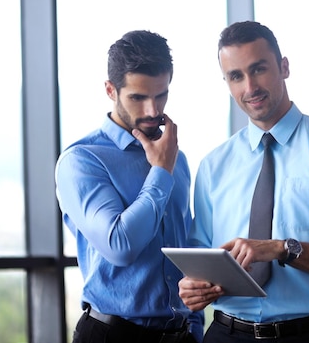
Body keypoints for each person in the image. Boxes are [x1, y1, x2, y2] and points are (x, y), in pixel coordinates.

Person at [178, 20, 309, 342]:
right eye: (236, 76)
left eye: (259, 69)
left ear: (284, 67)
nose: (249, 87)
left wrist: (281, 248)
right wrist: (194, 287)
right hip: (226, 333)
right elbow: (203, 253)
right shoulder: (213, 166)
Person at [55, 30, 204, 343]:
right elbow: (120, 246)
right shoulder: (81, 161)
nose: (153, 110)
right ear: (111, 90)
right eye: (138, 97)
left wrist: (195, 327)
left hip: (180, 335)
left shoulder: (178, 159)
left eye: (161, 95)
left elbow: (187, 249)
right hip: (113, 335)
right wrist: (162, 170)